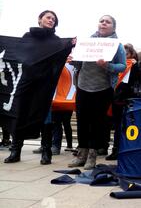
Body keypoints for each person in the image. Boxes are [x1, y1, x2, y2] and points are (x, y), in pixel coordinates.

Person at [4, 10, 75, 164]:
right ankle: (16, 150)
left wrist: (69, 45)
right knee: (20, 114)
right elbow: (16, 55)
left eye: (54, 19)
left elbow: (59, 58)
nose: (51, 20)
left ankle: (46, 151)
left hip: (44, 84)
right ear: (40, 19)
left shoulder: (56, 41)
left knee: (45, 116)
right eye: (48, 17)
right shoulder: (27, 37)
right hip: (25, 82)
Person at [68, 15, 126, 170]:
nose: (104, 23)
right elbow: (78, 61)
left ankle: (92, 157)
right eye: (102, 21)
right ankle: (81, 154)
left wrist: (108, 66)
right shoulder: (86, 42)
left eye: (108, 22)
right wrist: (72, 58)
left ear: (113, 27)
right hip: (83, 86)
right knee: (82, 121)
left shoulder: (117, 45)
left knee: (97, 123)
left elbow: (122, 66)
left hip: (103, 88)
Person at [105, 43, 141, 161]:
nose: (124, 56)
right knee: (118, 127)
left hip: (130, 101)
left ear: (132, 55)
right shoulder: (114, 65)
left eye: (126, 54)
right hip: (116, 100)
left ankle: (130, 150)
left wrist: (137, 66)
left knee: (130, 127)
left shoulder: (135, 67)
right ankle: (116, 150)